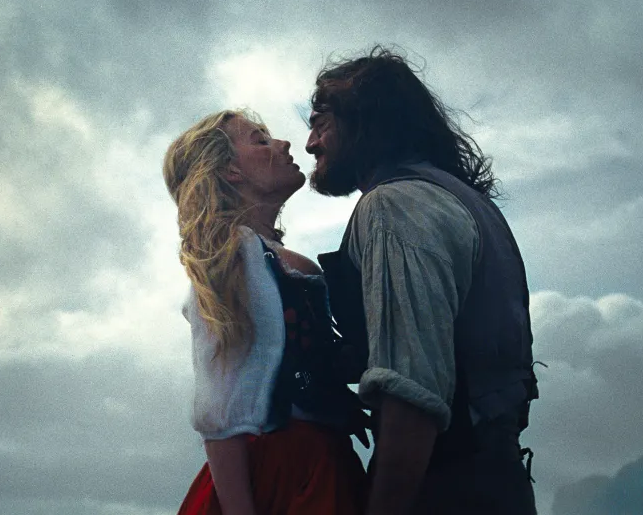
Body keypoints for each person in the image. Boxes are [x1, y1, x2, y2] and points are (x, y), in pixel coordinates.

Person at [305, 48, 540, 515]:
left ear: (366, 121)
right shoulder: (466, 201)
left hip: (446, 490)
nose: (311, 144)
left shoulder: (394, 207)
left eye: (321, 122)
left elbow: (411, 395)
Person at [163, 109, 368, 515]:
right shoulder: (231, 261)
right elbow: (220, 411)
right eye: (260, 140)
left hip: (325, 462)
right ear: (231, 172)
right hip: (276, 474)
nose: (284, 144)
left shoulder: (288, 264)